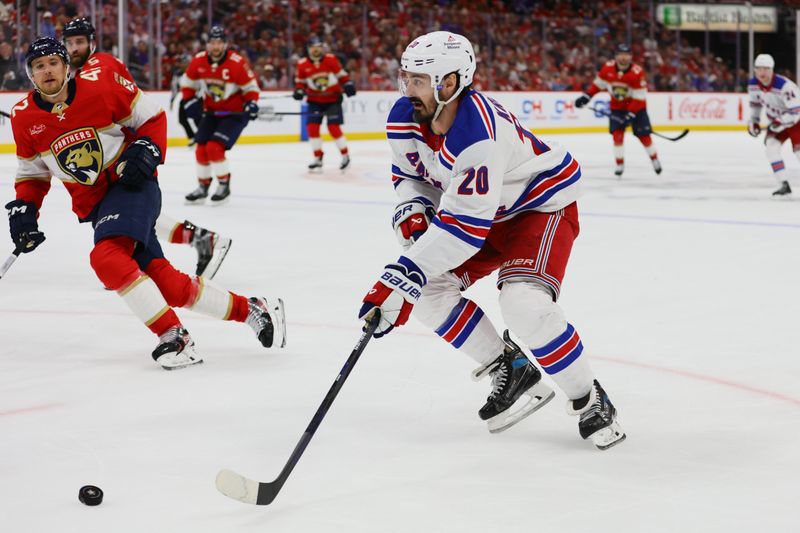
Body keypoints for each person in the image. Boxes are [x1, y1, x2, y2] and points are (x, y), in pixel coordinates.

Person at [357, 31, 625, 450]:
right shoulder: (403, 116)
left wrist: (402, 272)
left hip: (538, 207)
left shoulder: (477, 132)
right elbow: (411, 176)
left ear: (450, 82)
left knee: (523, 305)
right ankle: (510, 368)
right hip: (485, 212)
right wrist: (413, 209)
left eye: (419, 80)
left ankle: (589, 397)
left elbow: (464, 231)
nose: (407, 88)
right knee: (426, 292)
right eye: (405, 77)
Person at [7, 37, 286, 370]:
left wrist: (148, 149)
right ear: (30, 75)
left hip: (132, 184)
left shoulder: (101, 87)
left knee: (106, 258)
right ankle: (252, 309)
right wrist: (25, 209)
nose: (47, 70)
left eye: (53, 62)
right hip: (97, 204)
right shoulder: (23, 116)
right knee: (167, 285)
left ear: (67, 67)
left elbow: (152, 118)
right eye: (39, 66)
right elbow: (32, 173)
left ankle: (174, 336)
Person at [62, 17, 231, 278]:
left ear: (92, 43)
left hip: (127, 154)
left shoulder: (99, 66)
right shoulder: (86, 70)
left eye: (80, 42)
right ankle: (199, 239)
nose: (74, 48)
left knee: (119, 214)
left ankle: (125, 259)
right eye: (70, 43)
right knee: (128, 214)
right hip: (114, 154)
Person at [181, 26, 261, 205]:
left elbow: (251, 88)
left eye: (219, 43)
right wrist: (189, 100)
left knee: (214, 148)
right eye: (212, 43)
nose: (215, 46)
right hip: (212, 112)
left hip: (234, 114)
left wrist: (252, 103)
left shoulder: (236, 62)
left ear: (225, 44)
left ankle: (224, 185)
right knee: (201, 149)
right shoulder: (199, 61)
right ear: (207, 44)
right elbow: (187, 84)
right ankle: (203, 187)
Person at [575, 43, 661, 178]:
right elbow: (598, 85)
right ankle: (619, 164)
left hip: (637, 107)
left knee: (644, 136)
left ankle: (654, 159)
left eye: (626, 55)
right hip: (617, 108)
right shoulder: (607, 68)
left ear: (631, 57)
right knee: (617, 135)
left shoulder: (637, 72)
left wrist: (631, 113)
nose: (624, 57)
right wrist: (587, 97)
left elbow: (639, 96)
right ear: (616, 56)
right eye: (621, 54)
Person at [294, 35, 356, 171]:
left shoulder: (331, 59)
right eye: (313, 48)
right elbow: (300, 82)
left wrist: (348, 84)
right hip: (314, 101)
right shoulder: (302, 64)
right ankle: (318, 158)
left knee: (333, 128)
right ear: (308, 49)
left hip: (333, 100)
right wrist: (298, 90)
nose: (316, 50)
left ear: (322, 48)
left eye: (318, 47)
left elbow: (342, 75)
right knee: (312, 128)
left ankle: (345, 156)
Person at [747, 53, 800, 196]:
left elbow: (796, 112)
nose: (762, 72)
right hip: (777, 122)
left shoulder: (785, 86)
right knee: (771, 148)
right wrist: (754, 121)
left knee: (799, 152)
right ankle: (783, 184)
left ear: (772, 70)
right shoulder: (753, 84)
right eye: (759, 68)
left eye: (766, 69)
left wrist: (780, 122)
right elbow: (755, 105)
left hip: (796, 122)